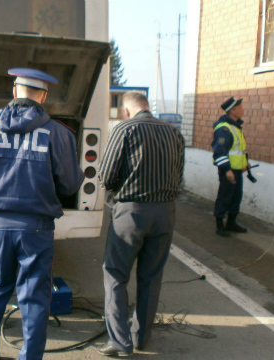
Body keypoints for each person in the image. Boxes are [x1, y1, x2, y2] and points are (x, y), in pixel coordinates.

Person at [0, 68, 84, 360]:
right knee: (33, 298)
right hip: (37, 228)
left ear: (14, 91)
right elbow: (69, 184)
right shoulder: (57, 133)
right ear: (43, 96)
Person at [96, 91, 185, 357]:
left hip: (131, 213)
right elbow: (179, 175)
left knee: (115, 275)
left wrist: (119, 190)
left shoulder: (125, 129)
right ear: (146, 106)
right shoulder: (174, 132)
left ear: (126, 110)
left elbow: (106, 175)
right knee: (151, 276)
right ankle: (141, 338)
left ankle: (119, 342)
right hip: (165, 213)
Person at [212, 96, 250, 237]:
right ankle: (220, 225)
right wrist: (227, 170)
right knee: (225, 196)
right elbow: (220, 152)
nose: (242, 110)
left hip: (237, 169)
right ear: (232, 111)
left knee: (236, 197)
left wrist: (245, 163)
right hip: (228, 170)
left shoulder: (235, 126)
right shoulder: (224, 129)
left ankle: (231, 223)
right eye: (239, 108)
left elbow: (238, 150)